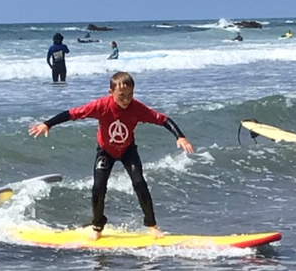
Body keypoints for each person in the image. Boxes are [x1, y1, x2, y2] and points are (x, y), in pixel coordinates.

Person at [28, 70, 193, 234]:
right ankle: (97, 226)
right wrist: (48, 124)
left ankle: (152, 226)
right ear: (111, 92)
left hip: (128, 150)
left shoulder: (136, 107)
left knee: (139, 184)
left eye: (130, 94)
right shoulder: (101, 106)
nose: (127, 99)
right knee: (98, 187)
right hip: (105, 151)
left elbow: (162, 119)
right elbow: (72, 114)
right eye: (122, 95)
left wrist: (180, 136)